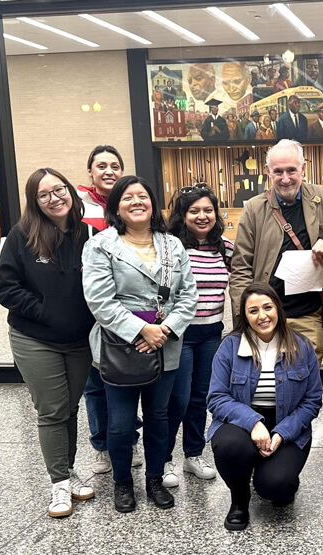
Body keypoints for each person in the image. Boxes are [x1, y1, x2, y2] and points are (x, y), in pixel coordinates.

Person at [82, 176, 198, 513]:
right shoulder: (102, 245)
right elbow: (101, 301)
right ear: (116, 205)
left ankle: (154, 480)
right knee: (119, 422)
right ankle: (122, 482)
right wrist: (140, 331)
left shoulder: (171, 245)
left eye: (143, 196)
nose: (136, 202)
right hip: (120, 345)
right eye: (128, 197)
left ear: (152, 204)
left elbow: (188, 295)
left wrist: (164, 330)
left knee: (158, 417)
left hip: (165, 342)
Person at [0, 168, 96, 518]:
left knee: (70, 408)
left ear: (70, 190)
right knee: (52, 410)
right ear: (34, 202)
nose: (54, 198)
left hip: (79, 340)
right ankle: (58, 485)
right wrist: (44, 311)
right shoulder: (21, 235)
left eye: (59, 189)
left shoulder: (88, 234)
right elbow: (5, 288)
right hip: (35, 338)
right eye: (43, 194)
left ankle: (67, 471)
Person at [230, 139, 323, 366]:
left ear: (303, 168)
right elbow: (241, 266)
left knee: (304, 380)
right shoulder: (254, 209)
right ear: (267, 172)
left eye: (292, 170)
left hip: (307, 316)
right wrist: (243, 316)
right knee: (266, 381)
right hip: (265, 316)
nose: (285, 178)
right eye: (278, 171)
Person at [207, 282, 323, 531]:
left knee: (276, 488)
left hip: (287, 424)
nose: (262, 316)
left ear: (278, 309)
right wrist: (253, 422)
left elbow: (312, 401)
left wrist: (282, 433)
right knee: (230, 446)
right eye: (253, 311)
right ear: (244, 316)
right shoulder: (229, 346)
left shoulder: (301, 346)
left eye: (267, 307)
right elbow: (217, 398)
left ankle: (276, 477)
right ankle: (239, 500)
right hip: (241, 423)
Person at [77, 145, 144, 475]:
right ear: (90, 171)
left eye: (114, 165)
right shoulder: (78, 207)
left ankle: (128, 439)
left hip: (131, 312)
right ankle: (103, 445)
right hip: (92, 308)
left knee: (130, 376)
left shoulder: (130, 204)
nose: (108, 171)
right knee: (97, 382)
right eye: (101, 165)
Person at [161, 186, 234, 488]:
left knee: (200, 397)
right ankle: (163, 459)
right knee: (176, 399)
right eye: (194, 211)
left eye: (208, 210)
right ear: (183, 215)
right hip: (180, 333)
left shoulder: (224, 247)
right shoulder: (171, 246)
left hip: (211, 332)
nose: (202, 216)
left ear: (216, 214)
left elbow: (237, 284)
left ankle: (193, 454)